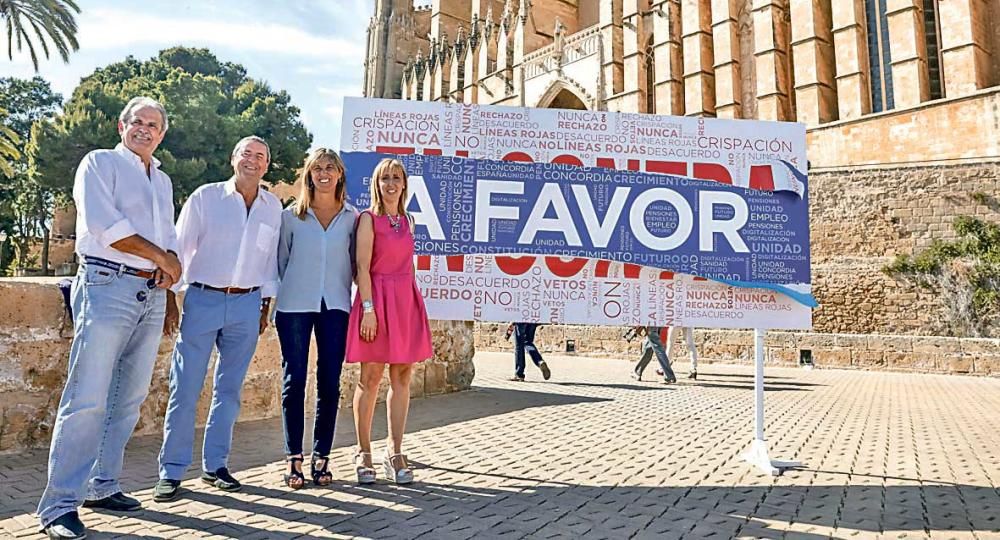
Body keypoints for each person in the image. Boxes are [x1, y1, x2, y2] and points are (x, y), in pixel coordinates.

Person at [37, 97, 181, 540]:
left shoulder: (163, 180)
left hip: (150, 293)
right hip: (106, 283)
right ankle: (58, 507)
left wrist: (171, 288)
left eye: (154, 125)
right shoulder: (98, 163)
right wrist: (161, 256)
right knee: (88, 397)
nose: (145, 129)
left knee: (129, 397)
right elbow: (105, 225)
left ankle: (104, 485)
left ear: (162, 134)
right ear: (122, 126)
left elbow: (169, 240)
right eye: (138, 122)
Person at [153, 136, 281, 502]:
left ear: (267, 165)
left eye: (260, 156)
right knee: (186, 386)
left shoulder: (272, 207)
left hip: (247, 304)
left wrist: (264, 305)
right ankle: (172, 471)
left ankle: (215, 466)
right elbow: (178, 248)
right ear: (233, 158)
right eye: (247, 154)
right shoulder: (205, 198)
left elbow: (269, 259)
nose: (253, 161)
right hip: (203, 299)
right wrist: (169, 297)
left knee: (229, 390)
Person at [274, 148, 357, 489]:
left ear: (340, 174)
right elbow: (282, 261)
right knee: (294, 380)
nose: (324, 173)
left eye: (330, 168)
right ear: (308, 175)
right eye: (317, 168)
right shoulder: (291, 216)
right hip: (294, 305)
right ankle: (293, 457)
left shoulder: (353, 218)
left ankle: (321, 455)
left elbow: (356, 263)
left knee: (329, 382)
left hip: (336, 305)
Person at [346, 158, 432, 485]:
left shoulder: (409, 220)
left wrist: (412, 306)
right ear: (376, 184)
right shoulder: (368, 219)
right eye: (385, 179)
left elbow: (408, 266)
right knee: (369, 378)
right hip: (376, 300)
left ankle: (394, 451)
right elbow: (362, 267)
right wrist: (369, 309)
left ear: (404, 184)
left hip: (404, 299)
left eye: (397, 178)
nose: (391, 184)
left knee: (403, 377)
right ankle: (363, 451)